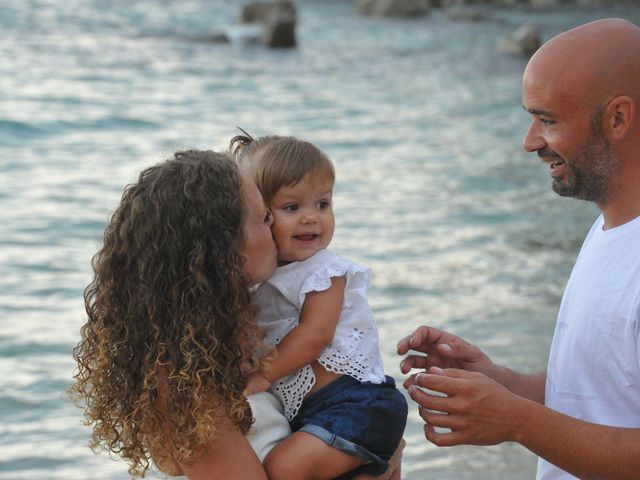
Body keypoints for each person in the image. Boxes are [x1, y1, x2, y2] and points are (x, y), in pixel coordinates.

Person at [397, 18, 640, 480]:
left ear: (618, 118)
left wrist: (516, 421)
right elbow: (607, 394)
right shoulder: (610, 228)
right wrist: (502, 384)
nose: (529, 142)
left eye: (547, 120)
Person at [69, 148, 403, 480]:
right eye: (264, 217)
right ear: (225, 250)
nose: (275, 227)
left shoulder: (223, 339)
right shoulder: (182, 379)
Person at [231, 134, 408, 480]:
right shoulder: (261, 279)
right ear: (261, 216)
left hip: (357, 404)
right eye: (291, 208)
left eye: (322, 204)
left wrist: (262, 375)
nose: (311, 218)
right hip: (317, 414)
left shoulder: (323, 271)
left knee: (280, 469)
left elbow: (316, 334)